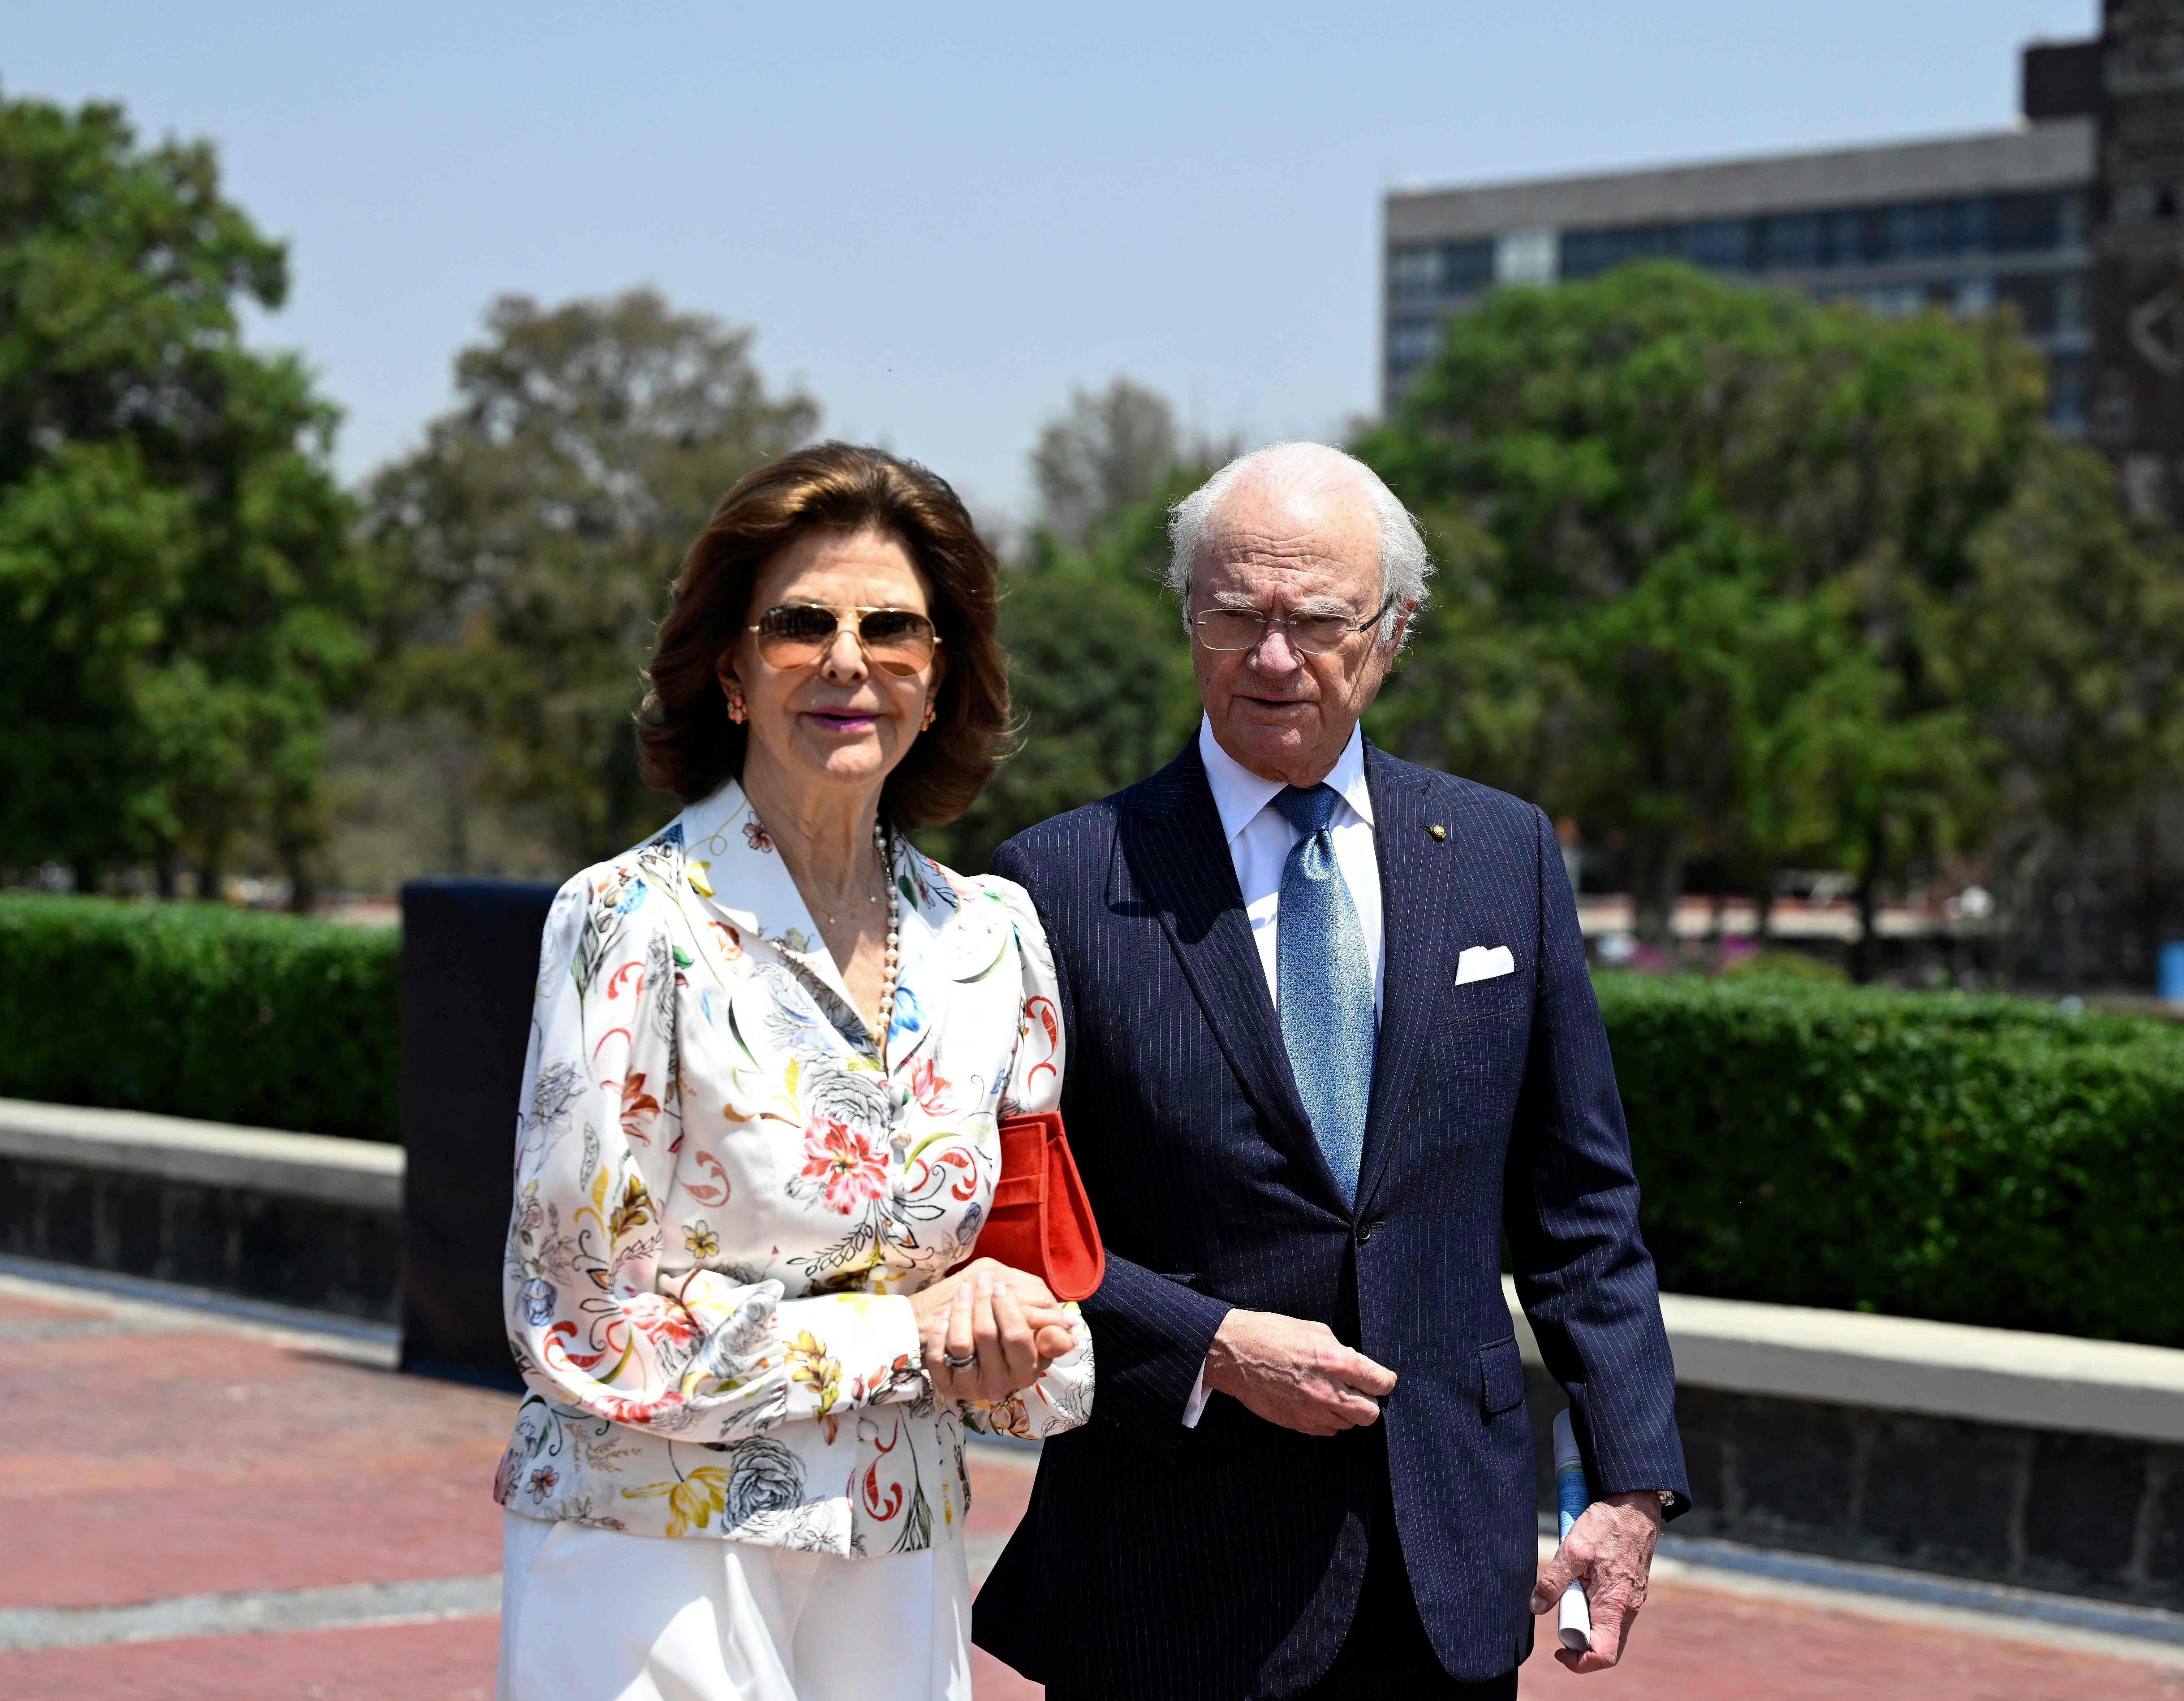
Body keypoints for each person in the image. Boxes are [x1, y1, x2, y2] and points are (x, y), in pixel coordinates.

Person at [974, 442, 1687, 1700]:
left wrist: (1629, 1482)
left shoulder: (1501, 855)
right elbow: (1007, 1221)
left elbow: (1580, 1211)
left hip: (1443, 1577)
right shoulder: (1057, 886)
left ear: (1392, 630)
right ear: (1187, 621)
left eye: (1314, 619)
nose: (1270, 656)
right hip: (1166, 1575)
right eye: (1232, 614)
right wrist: (1211, 1344)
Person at [492, 443, 1091, 1701]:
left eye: (895, 629)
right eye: (799, 623)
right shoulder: (628, 920)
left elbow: (1042, 1283)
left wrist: (1005, 1335)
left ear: (940, 678)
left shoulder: (994, 940)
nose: (847, 659)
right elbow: (584, 1321)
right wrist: (905, 1332)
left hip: (901, 1545)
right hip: (655, 1540)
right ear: (727, 669)